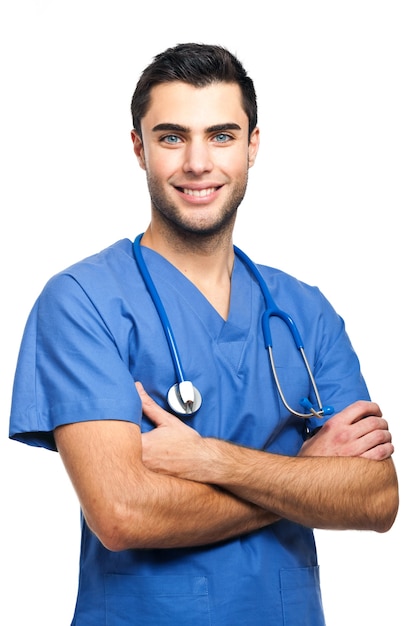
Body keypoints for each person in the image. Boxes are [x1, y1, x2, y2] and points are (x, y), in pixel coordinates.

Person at [9, 43, 398, 626]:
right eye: (171, 137)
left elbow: (376, 499)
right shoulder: (83, 301)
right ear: (139, 148)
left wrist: (211, 459)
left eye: (221, 135)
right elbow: (122, 514)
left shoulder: (302, 310)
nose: (197, 162)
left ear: (252, 146)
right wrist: (305, 472)